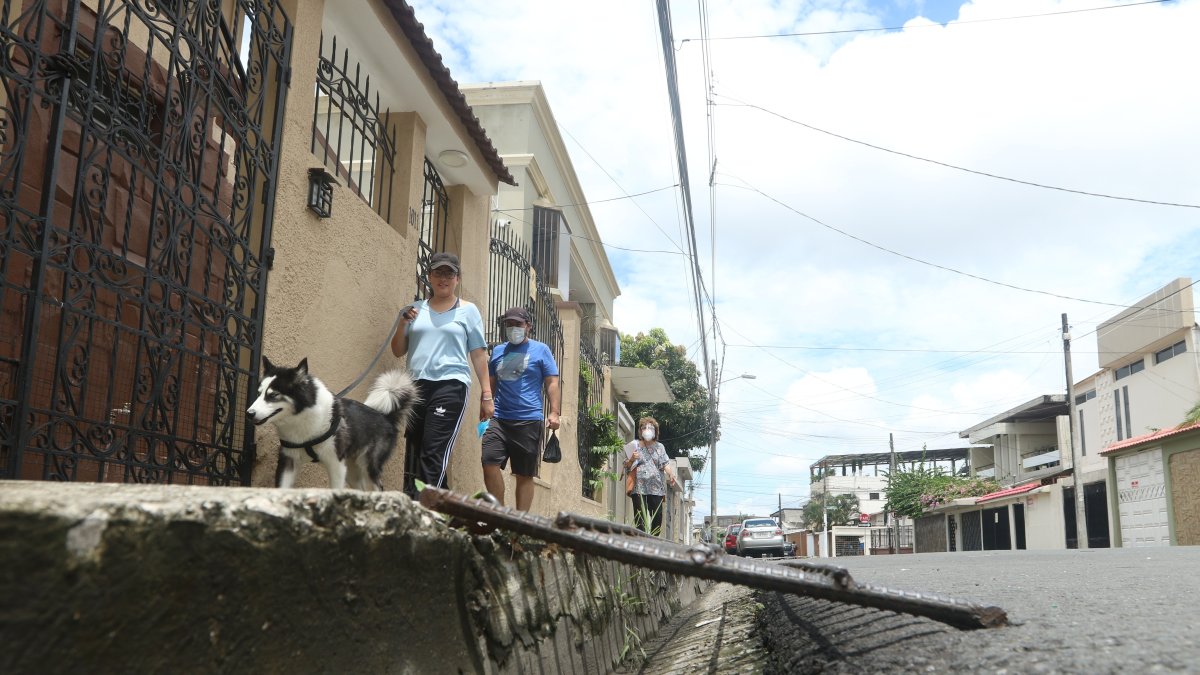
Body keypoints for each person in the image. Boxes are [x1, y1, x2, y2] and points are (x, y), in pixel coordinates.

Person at [391, 252, 492, 497]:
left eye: (449, 273)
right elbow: (397, 351)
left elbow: (479, 354)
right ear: (429, 276)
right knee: (418, 448)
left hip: (450, 386)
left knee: (434, 450)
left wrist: (487, 394)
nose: (443, 278)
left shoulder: (468, 311)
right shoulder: (414, 310)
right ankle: (446, 508)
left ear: (457, 278)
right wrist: (403, 324)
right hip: (416, 387)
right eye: (438, 273)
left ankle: (426, 510)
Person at [481, 306, 560, 511]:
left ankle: (519, 528)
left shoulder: (541, 350)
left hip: (528, 420)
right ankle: (500, 516)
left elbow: (552, 382)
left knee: (524, 474)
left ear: (528, 327)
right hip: (499, 418)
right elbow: (490, 383)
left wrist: (554, 412)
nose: (513, 327)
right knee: (489, 462)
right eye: (509, 324)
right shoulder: (498, 351)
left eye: (518, 324)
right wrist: (485, 405)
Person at [622, 416, 677, 535]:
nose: (647, 430)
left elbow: (665, 463)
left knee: (657, 519)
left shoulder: (660, 447)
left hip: (656, 488)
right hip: (639, 488)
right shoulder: (634, 445)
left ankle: (653, 542)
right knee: (640, 520)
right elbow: (626, 465)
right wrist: (631, 459)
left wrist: (671, 474)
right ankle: (641, 544)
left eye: (650, 428)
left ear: (655, 431)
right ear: (640, 430)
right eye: (644, 427)